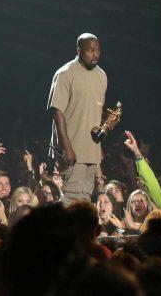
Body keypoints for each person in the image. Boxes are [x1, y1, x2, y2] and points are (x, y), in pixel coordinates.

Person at [46, 33, 109, 205]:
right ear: (79, 51)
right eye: (90, 50)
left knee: (86, 197)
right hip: (72, 147)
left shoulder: (102, 76)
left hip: (91, 149)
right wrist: (67, 147)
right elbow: (57, 111)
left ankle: (81, 232)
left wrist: (101, 140)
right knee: (71, 197)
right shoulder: (66, 73)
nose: (95, 54)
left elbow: (96, 110)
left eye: (98, 50)